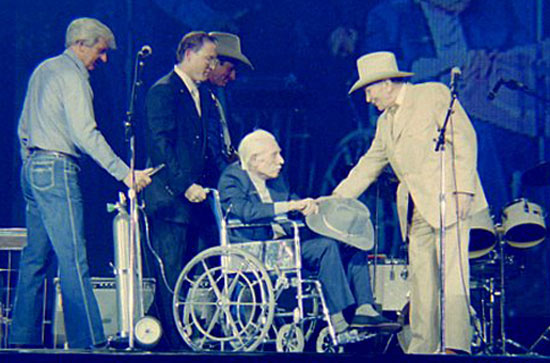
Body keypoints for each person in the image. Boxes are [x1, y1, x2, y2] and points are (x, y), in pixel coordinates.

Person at [330, 51, 488, 354]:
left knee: (452, 276)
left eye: (369, 90)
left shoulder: (432, 95)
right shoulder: (384, 122)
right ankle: (422, 347)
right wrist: (334, 200)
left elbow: (465, 140)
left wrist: (465, 192)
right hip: (415, 211)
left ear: (387, 83)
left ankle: (456, 346)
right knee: (422, 282)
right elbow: (368, 166)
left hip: (449, 197)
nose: (367, 99)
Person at [11, 17, 153, 349]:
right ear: (80, 44)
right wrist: (124, 173)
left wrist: (32, 165)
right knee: (74, 258)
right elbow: (84, 133)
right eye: (101, 52)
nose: (102, 60)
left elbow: (22, 127)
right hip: (57, 167)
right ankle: (89, 344)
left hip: (32, 167)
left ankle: (20, 342)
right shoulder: (72, 75)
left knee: (35, 259)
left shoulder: (43, 70)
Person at [218, 129, 400, 336]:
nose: (281, 160)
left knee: (350, 245)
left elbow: (293, 202)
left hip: (288, 245)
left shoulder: (276, 180)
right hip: (258, 249)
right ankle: (338, 321)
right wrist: (289, 206)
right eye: (274, 155)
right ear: (255, 159)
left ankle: (364, 309)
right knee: (325, 248)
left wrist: (312, 206)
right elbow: (246, 212)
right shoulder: (232, 178)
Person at [143, 31, 219, 350]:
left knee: (188, 271)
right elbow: (161, 145)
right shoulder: (164, 91)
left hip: (194, 202)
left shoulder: (201, 94)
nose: (212, 66)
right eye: (208, 58)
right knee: (172, 273)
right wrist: (184, 185)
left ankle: (159, 335)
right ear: (188, 53)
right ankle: (177, 345)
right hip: (170, 200)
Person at [203, 32, 253, 182]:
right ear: (214, 63)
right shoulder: (198, 97)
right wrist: (231, 178)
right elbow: (211, 150)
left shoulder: (215, 96)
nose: (233, 77)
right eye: (230, 69)